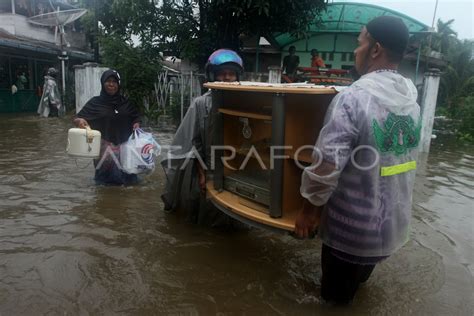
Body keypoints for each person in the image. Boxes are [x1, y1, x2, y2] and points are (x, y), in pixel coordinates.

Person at [294, 16, 421, 304]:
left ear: (375, 49)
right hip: (389, 228)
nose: (355, 51)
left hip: (350, 233)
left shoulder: (353, 98)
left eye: (359, 43)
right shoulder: (411, 102)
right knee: (357, 289)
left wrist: (309, 212)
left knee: (334, 303)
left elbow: (326, 165)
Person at [161, 49, 245, 228]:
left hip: (238, 171)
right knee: (205, 218)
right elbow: (193, 141)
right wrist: (202, 172)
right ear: (212, 76)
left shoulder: (246, 103)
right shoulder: (201, 103)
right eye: (222, 74)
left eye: (231, 74)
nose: (227, 78)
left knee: (238, 217)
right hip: (207, 169)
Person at [73, 69, 141, 185]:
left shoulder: (126, 103)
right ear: (103, 83)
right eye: (108, 81)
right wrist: (80, 121)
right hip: (105, 152)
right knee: (105, 187)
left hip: (126, 150)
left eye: (114, 82)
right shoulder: (95, 103)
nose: (111, 84)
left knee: (130, 186)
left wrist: (137, 123)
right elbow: (78, 118)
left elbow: (136, 117)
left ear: (118, 84)